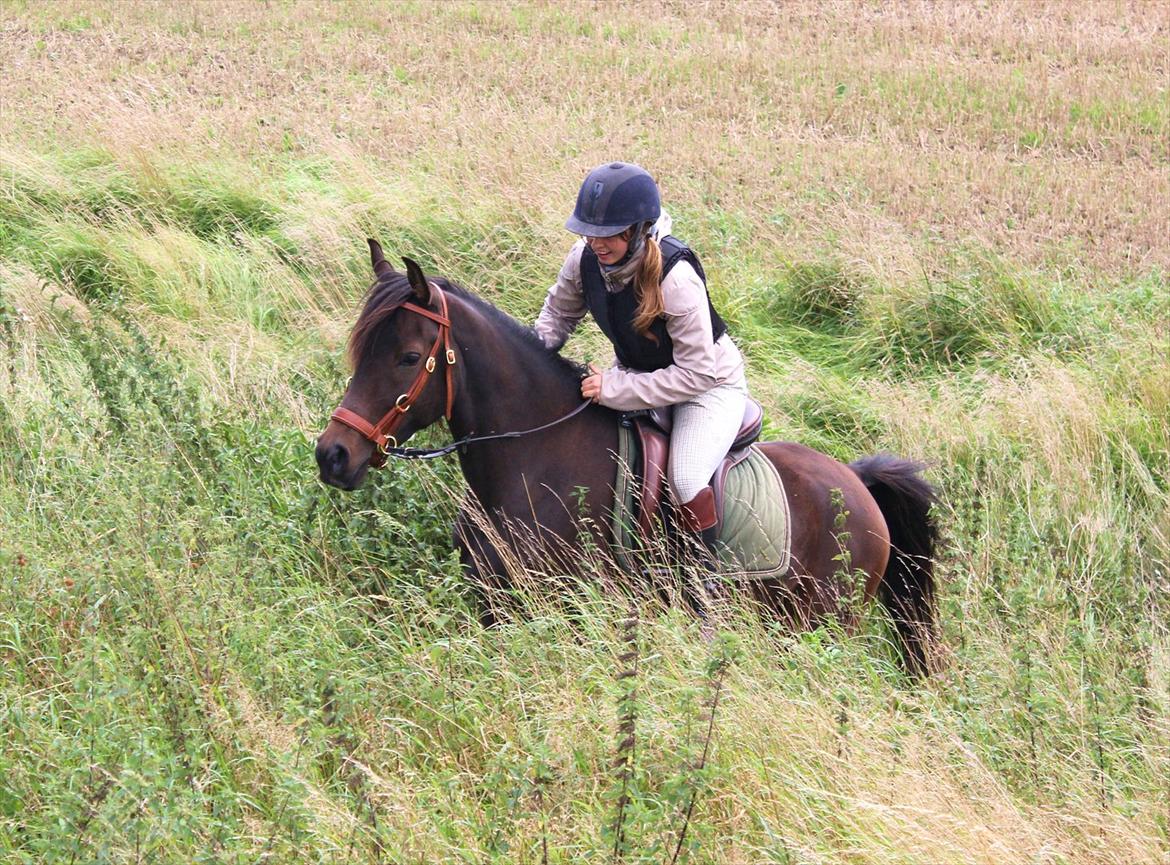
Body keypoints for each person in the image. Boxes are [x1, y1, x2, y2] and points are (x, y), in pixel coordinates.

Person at [534, 161, 751, 554]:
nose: (597, 244)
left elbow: (696, 373)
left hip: (707, 387)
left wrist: (617, 387)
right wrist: (530, 360)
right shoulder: (584, 259)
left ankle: (703, 582)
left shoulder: (676, 278)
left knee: (685, 479)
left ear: (638, 231)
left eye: (610, 235)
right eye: (590, 233)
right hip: (639, 374)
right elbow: (559, 315)